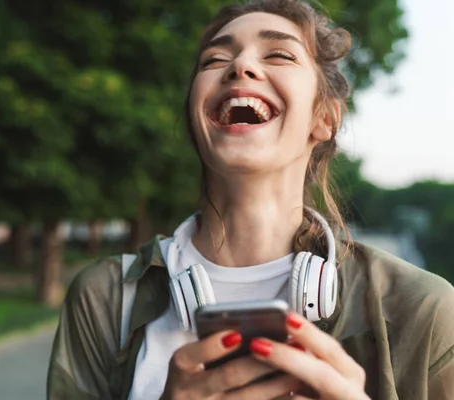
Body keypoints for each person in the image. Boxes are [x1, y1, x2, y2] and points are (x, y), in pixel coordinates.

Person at [47, 0, 454, 399]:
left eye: (278, 54)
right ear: (195, 115)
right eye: (213, 60)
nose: (240, 66)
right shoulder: (105, 298)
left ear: (324, 118)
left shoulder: (424, 309)